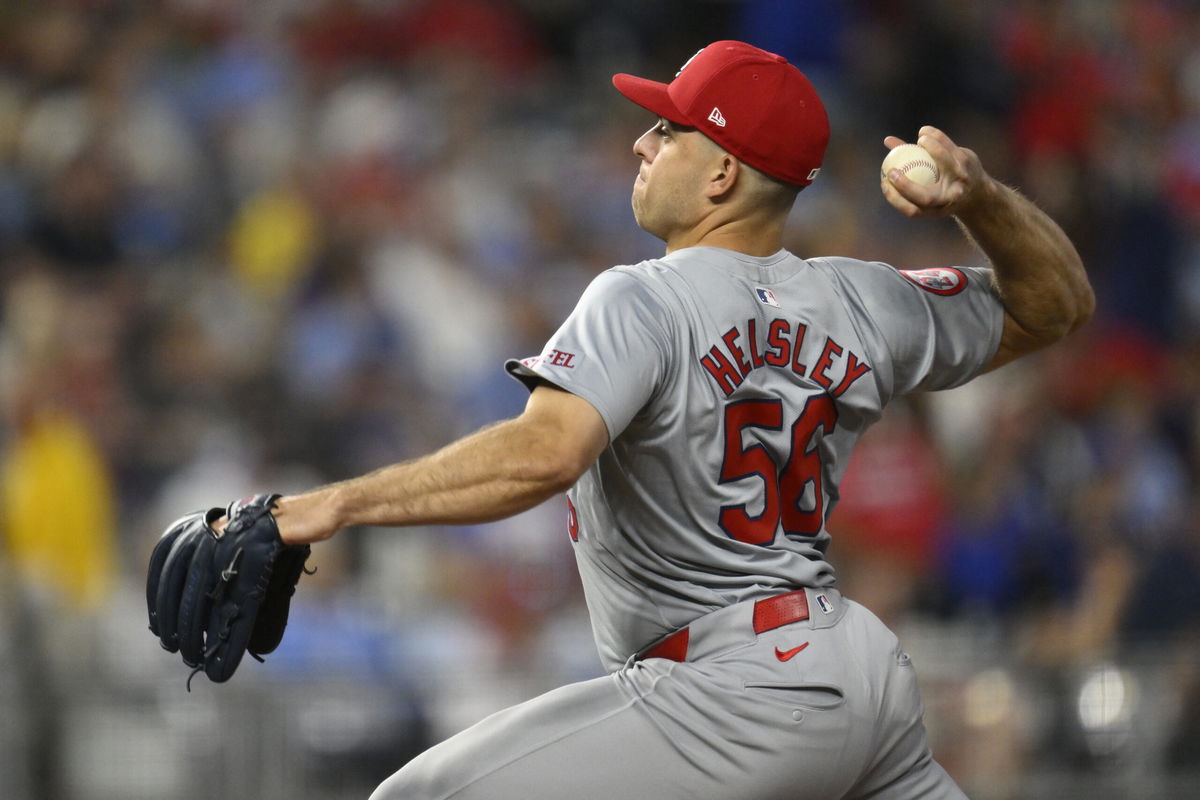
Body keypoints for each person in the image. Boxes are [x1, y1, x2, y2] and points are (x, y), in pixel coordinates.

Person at [226, 41, 1093, 798]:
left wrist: (325, 507)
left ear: (720, 174)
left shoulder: (640, 297)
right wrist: (979, 198)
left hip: (732, 695)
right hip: (858, 674)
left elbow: (545, 452)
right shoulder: (860, 300)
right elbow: (1057, 303)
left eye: (671, 130)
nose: (644, 142)